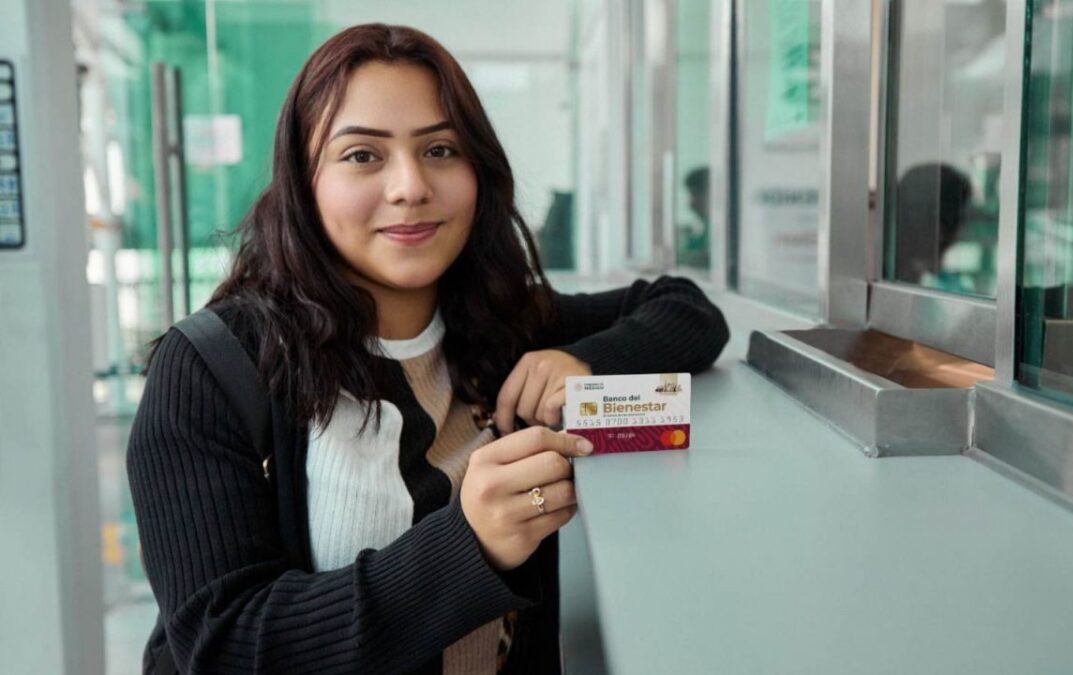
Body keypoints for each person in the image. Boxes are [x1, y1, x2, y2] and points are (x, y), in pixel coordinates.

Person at [126, 24, 729, 675]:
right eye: (362, 155)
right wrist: (468, 547)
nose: (411, 186)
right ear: (303, 182)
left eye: (441, 149)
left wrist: (582, 363)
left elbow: (688, 312)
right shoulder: (214, 368)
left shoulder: (504, 321)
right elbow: (225, 645)